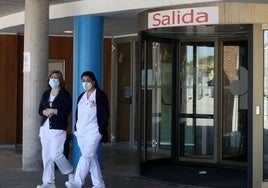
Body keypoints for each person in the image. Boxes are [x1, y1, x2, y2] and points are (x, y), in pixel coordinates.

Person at [65, 71, 109, 188]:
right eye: (83, 81)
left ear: (93, 82)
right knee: (91, 157)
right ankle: (99, 184)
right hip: (81, 132)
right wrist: (76, 127)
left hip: (94, 131)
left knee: (86, 157)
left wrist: (102, 129)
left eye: (88, 81)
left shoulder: (100, 95)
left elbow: (105, 113)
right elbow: (78, 113)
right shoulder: (81, 96)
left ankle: (77, 182)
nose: (85, 83)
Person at [37, 70, 74, 188]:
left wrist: (54, 111)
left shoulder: (65, 94)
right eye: (52, 77)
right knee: (46, 156)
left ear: (61, 80)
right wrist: (44, 112)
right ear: (49, 80)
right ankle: (48, 182)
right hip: (45, 128)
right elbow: (39, 109)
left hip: (58, 129)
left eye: (56, 78)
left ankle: (70, 170)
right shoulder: (45, 94)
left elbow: (66, 111)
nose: (54, 79)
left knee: (55, 155)